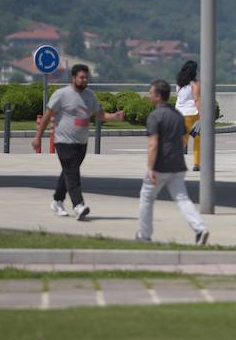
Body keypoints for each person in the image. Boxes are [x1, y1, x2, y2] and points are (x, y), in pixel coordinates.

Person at [32, 64, 124, 220]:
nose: (84, 80)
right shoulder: (61, 94)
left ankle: (57, 201)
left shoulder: (89, 95)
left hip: (81, 143)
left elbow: (99, 114)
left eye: (86, 77)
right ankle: (78, 205)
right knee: (73, 173)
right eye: (81, 77)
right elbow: (47, 115)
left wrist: (114, 116)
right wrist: (38, 136)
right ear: (73, 78)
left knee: (68, 172)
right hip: (64, 142)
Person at [137, 79, 209, 244]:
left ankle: (144, 233)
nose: (149, 96)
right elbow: (182, 138)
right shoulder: (177, 115)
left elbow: (153, 143)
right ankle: (200, 228)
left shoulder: (155, 116)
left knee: (146, 197)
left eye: (151, 93)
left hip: (161, 165)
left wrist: (150, 167)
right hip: (178, 165)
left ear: (157, 96)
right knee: (182, 199)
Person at [175, 60, 201, 172]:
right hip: (192, 114)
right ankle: (196, 164)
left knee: (182, 140)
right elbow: (196, 99)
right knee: (197, 139)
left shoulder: (179, 84)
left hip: (180, 114)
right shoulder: (194, 84)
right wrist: (202, 114)